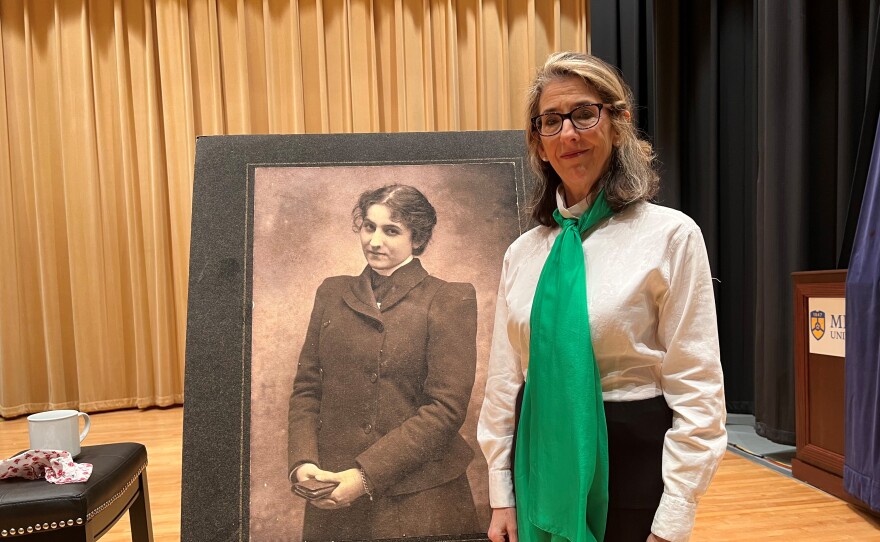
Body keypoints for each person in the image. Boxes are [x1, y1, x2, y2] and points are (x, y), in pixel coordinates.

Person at [477, 52, 727, 542]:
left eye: (584, 114)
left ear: (617, 124)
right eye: (551, 121)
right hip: (540, 458)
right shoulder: (523, 253)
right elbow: (505, 379)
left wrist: (675, 514)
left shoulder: (670, 236)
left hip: (631, 464)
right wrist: (501, 491)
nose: (569, 134)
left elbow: (697, 386)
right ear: (539, 144)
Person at [288, 184, 480, 541]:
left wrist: (364, 478)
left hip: (418, 495)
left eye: (391, 230)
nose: (375, 241)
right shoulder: (332, 292)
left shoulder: (449, 298)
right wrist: (303, 464)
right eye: (369, 226)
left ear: (417, 238)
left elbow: (445, 409)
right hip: (333, 490)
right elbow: (307, 388)